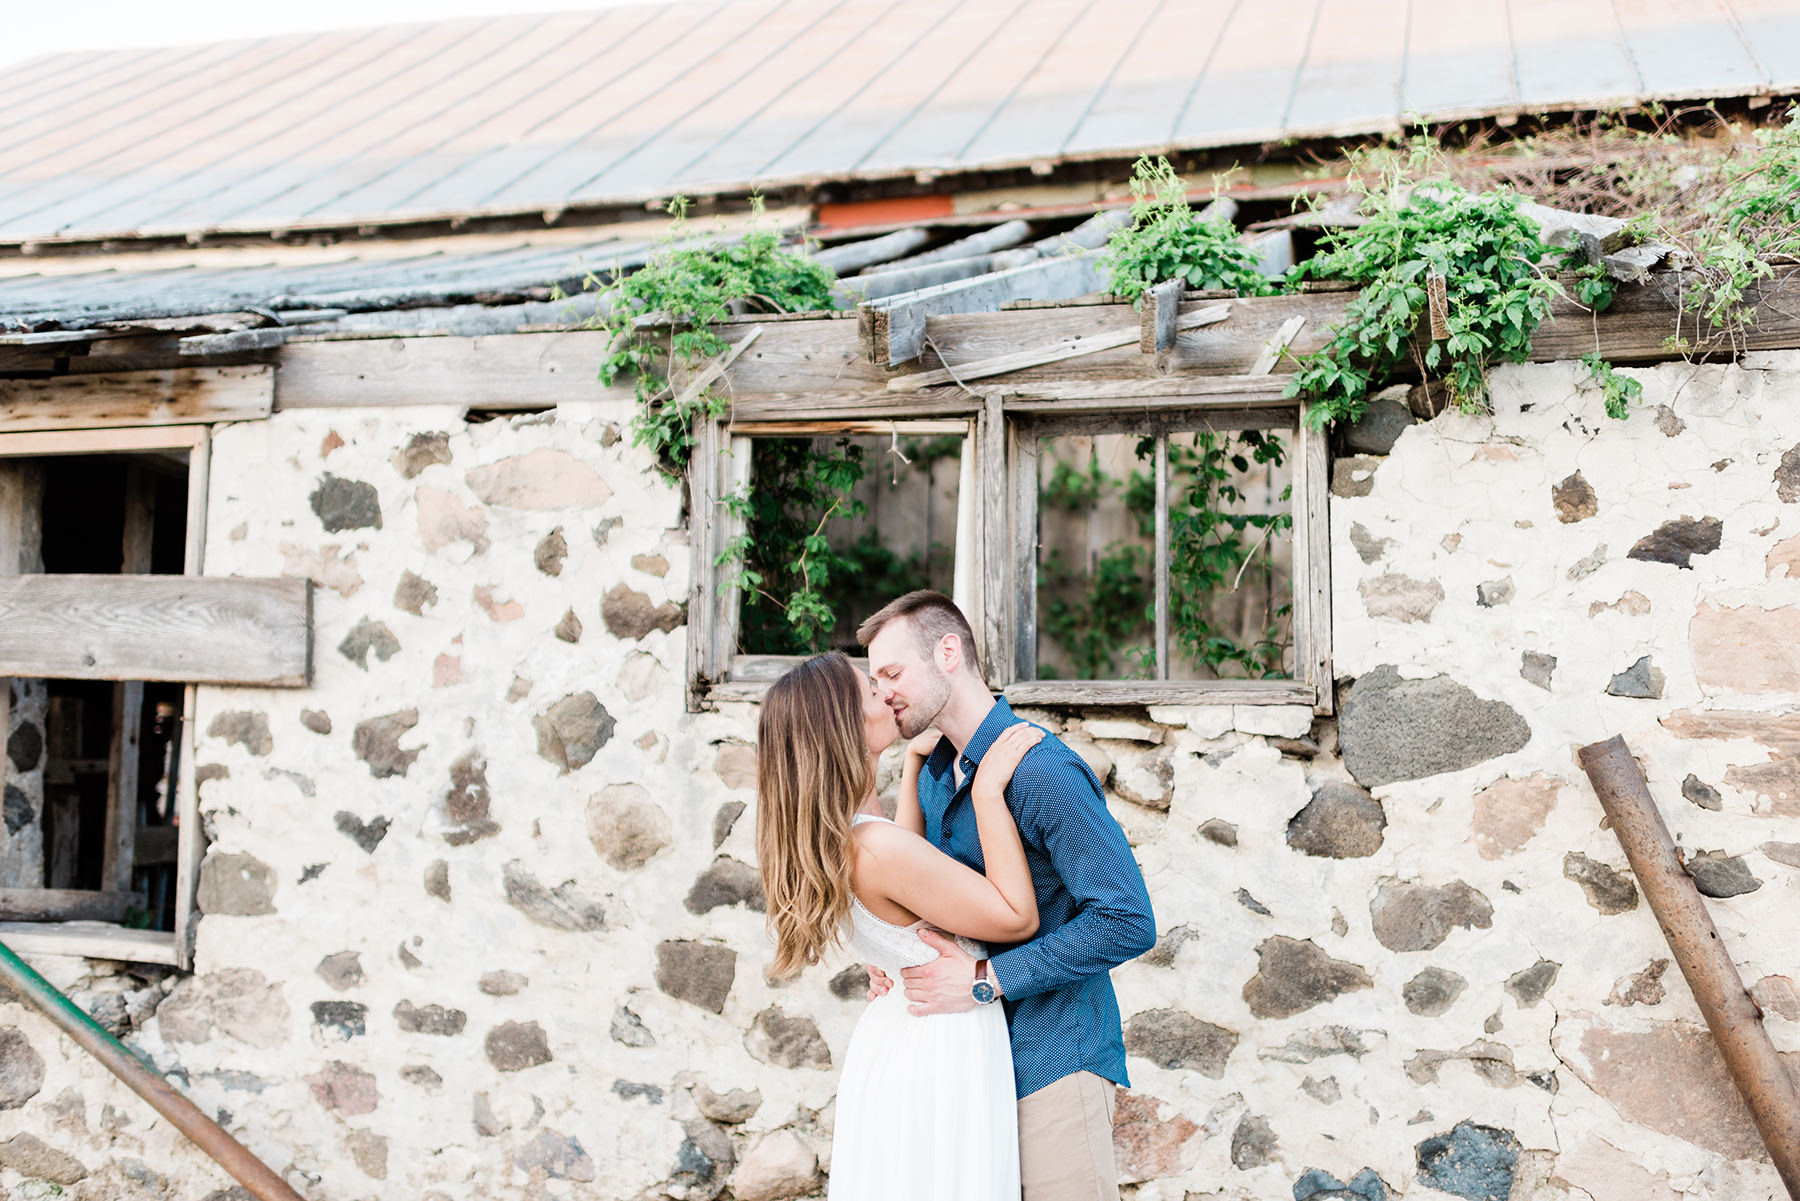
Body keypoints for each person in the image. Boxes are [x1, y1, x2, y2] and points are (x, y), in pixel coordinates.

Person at [859, 590, 1157, 1201]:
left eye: (892, 672)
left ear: (948, 653)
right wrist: (896, 956)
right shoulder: (939, 769)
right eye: (874, 679)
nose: (883, 690)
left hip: (1052, 1060)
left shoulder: (1039, 768)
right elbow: (927, 900)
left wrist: (984, 978)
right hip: (968, 1073)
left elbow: (1126, 921)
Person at [754, 651, 1047, 1200]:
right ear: (844, 724)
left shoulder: (847, 836)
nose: (887, 694)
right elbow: (1015, 918)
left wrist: (912, 767)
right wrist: (987, 796)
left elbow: (907, 858)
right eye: (870, 690)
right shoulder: (877, 850)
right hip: (940, 1041)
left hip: (901, 1031)